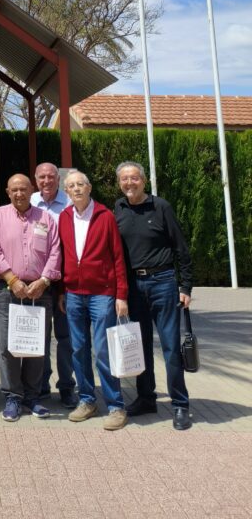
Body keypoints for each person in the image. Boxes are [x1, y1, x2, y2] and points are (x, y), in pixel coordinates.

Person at [114, 161, 193, 430]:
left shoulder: (161, 207)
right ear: (119, 183)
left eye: (134, 178)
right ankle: (146, 398)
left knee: (170, 347)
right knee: (141, 346)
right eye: (124, 179)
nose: (129, 183)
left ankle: (180, 404)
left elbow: (181, 248)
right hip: (134, 287)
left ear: (144, 181)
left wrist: (185, 287)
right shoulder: (118, 208)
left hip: (162, 282)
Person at [0, 173, 61, 422]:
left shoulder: (45, 218)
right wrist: (12, 280)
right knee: (9, 345)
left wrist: (44, 281)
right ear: (8, 192)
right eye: (14, 189)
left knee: (36, 345)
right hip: (7, 289)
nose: (19, 193)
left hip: (40, 290)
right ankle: (13, 397)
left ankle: (32, 396)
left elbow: (55, 252)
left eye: (24, 189)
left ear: (32, 191)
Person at [57, 170, 129, 431]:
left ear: (89, 188)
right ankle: (87, 400)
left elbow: (118, 256)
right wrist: (62, 291)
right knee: (78, 349)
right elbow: (62, 255)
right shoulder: (64, 217)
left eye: (81, 184)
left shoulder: (105, 216)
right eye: (71, 186)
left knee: (102, 350)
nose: (76, 189)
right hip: (73, 293)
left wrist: (121, 295)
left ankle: (116, 405)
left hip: (102, 294)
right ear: (66, 192)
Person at [30, 162, 78, 408]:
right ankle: (41, 385)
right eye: (42, 177)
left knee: (65, 337)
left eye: (51, 176)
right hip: (39, 279)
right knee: (40, 336)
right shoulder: (30, 201)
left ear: (58, 179)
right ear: (36, 179)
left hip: (65, 279)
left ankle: (67, 386)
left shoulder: (70, 203)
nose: (46, 181)